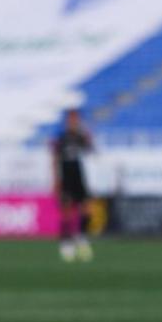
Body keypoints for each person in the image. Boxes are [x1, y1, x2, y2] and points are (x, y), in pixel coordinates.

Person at [52, 108, 94, 263]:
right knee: (67, 212)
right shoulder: (62, 138)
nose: (74, 122)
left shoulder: (80, 136)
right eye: (71, 119)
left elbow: (90, 150)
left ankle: (81, 237)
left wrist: (88, 138)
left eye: (76, 119)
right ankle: (66, 242)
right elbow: (55, 159)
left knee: (86, 209)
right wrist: (56, 180)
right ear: (67, 121)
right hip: (66, 177)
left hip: (79, 176)